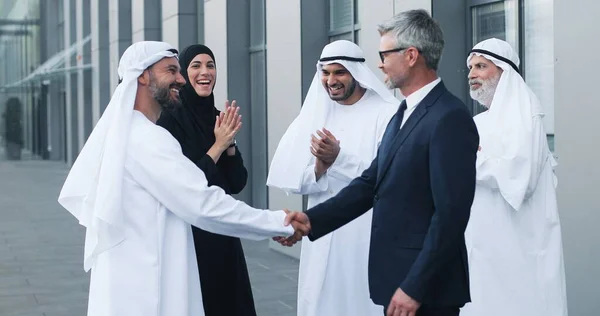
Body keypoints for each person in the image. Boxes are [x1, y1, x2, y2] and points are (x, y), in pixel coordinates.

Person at [57, 41, 303, 316]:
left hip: (138, 281)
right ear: (142, 75)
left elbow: (228, 183)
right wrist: (277, 222)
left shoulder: (129, 133)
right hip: (149, 288)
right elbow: (202, 202)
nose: (181, 79)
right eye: (172, 70)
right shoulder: (147, 139)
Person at [280, 10, 479, 316]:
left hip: (427, 292)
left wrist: (415, 287)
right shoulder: (402, 113)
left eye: (385, 53)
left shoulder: (449, 117)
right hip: (398, 280)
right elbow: (371, 182)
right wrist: (311, 220)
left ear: (411, 55)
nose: (380, 63)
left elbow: (450, 216)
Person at [267, 40, 398, 316]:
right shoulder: (318, 112)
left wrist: (339, 158)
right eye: (326, 73)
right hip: (322, 231)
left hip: (364, 231)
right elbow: (295, 178)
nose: (330, 80)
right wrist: (320, 168)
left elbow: (390, 174)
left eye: (339, 72)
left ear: (357, 73)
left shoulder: (387, 113)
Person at [460, 38, 568, 316]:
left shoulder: (527, 111)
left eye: (481, 66)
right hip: (484, 245)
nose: (471, 74)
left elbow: (521, 176)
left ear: (504, 73)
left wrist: (470, 158)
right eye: (471, 67)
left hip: (520, 243)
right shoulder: (479, 122)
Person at [156, 44, 256, 316]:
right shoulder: (169, 122)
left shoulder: (217, 119)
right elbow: (184, 185)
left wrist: (230, 143)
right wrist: (218, 145)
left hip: (222, 230)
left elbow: (236, 183)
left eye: (210, 65)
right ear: (183, 76)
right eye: (196, 66)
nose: (205, 72)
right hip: (189, 233)